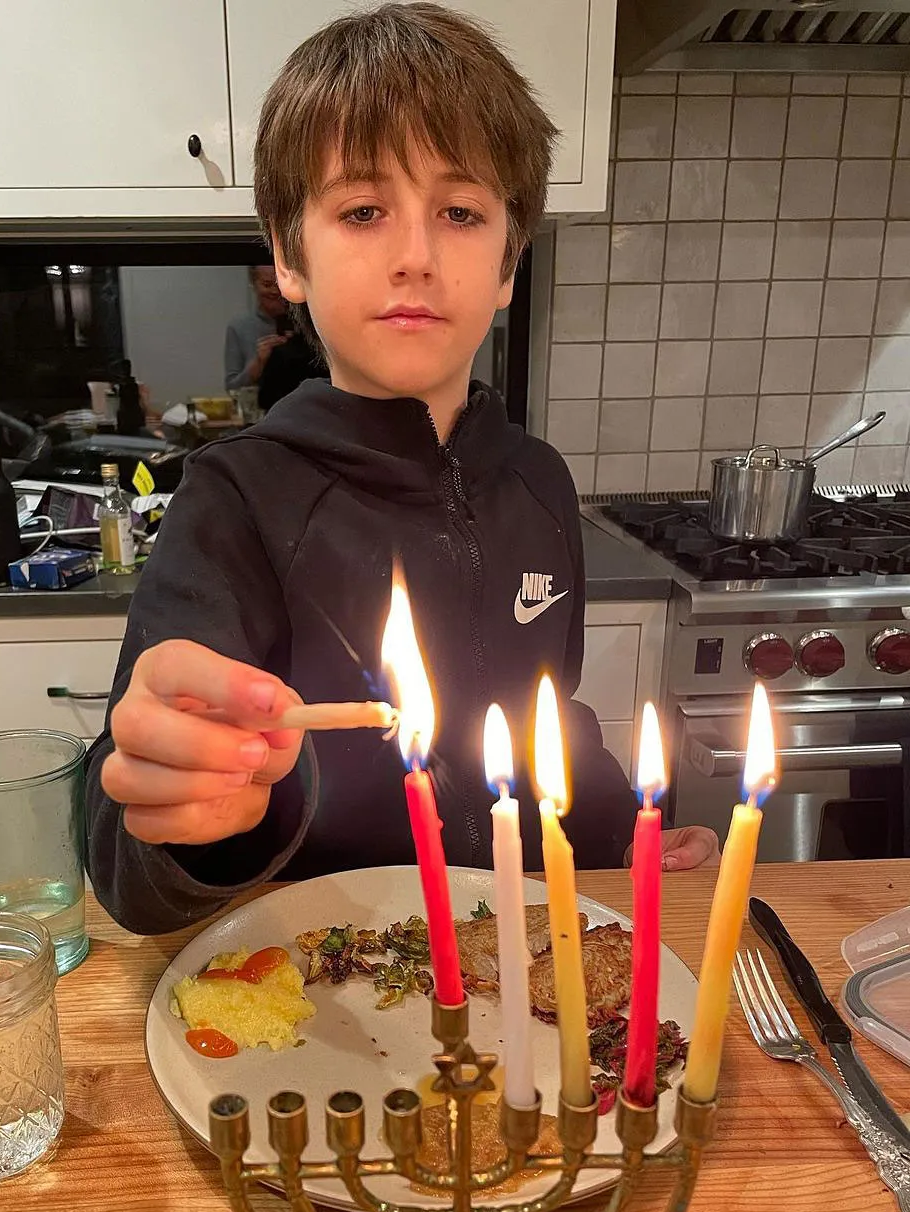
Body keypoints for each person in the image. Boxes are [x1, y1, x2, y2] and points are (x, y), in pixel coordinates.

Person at [86, 3, 720, 935]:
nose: (416, 256)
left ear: (508, 262)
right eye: (363, 211)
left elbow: (551, 719)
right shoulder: (235, 499)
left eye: (460, 213)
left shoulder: (540, 482)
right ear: (289, 257)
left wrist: (624, 834)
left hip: (520, 958)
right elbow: (128, 873)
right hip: (330, 971)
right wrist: (193, 816)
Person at [223, 264, 289, 392]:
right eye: (267, 284)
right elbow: (232, 388)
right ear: (254, 284)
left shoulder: (307, 325)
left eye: (278, 284)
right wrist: (259, 362)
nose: (275, 291)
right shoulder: (239, 327)